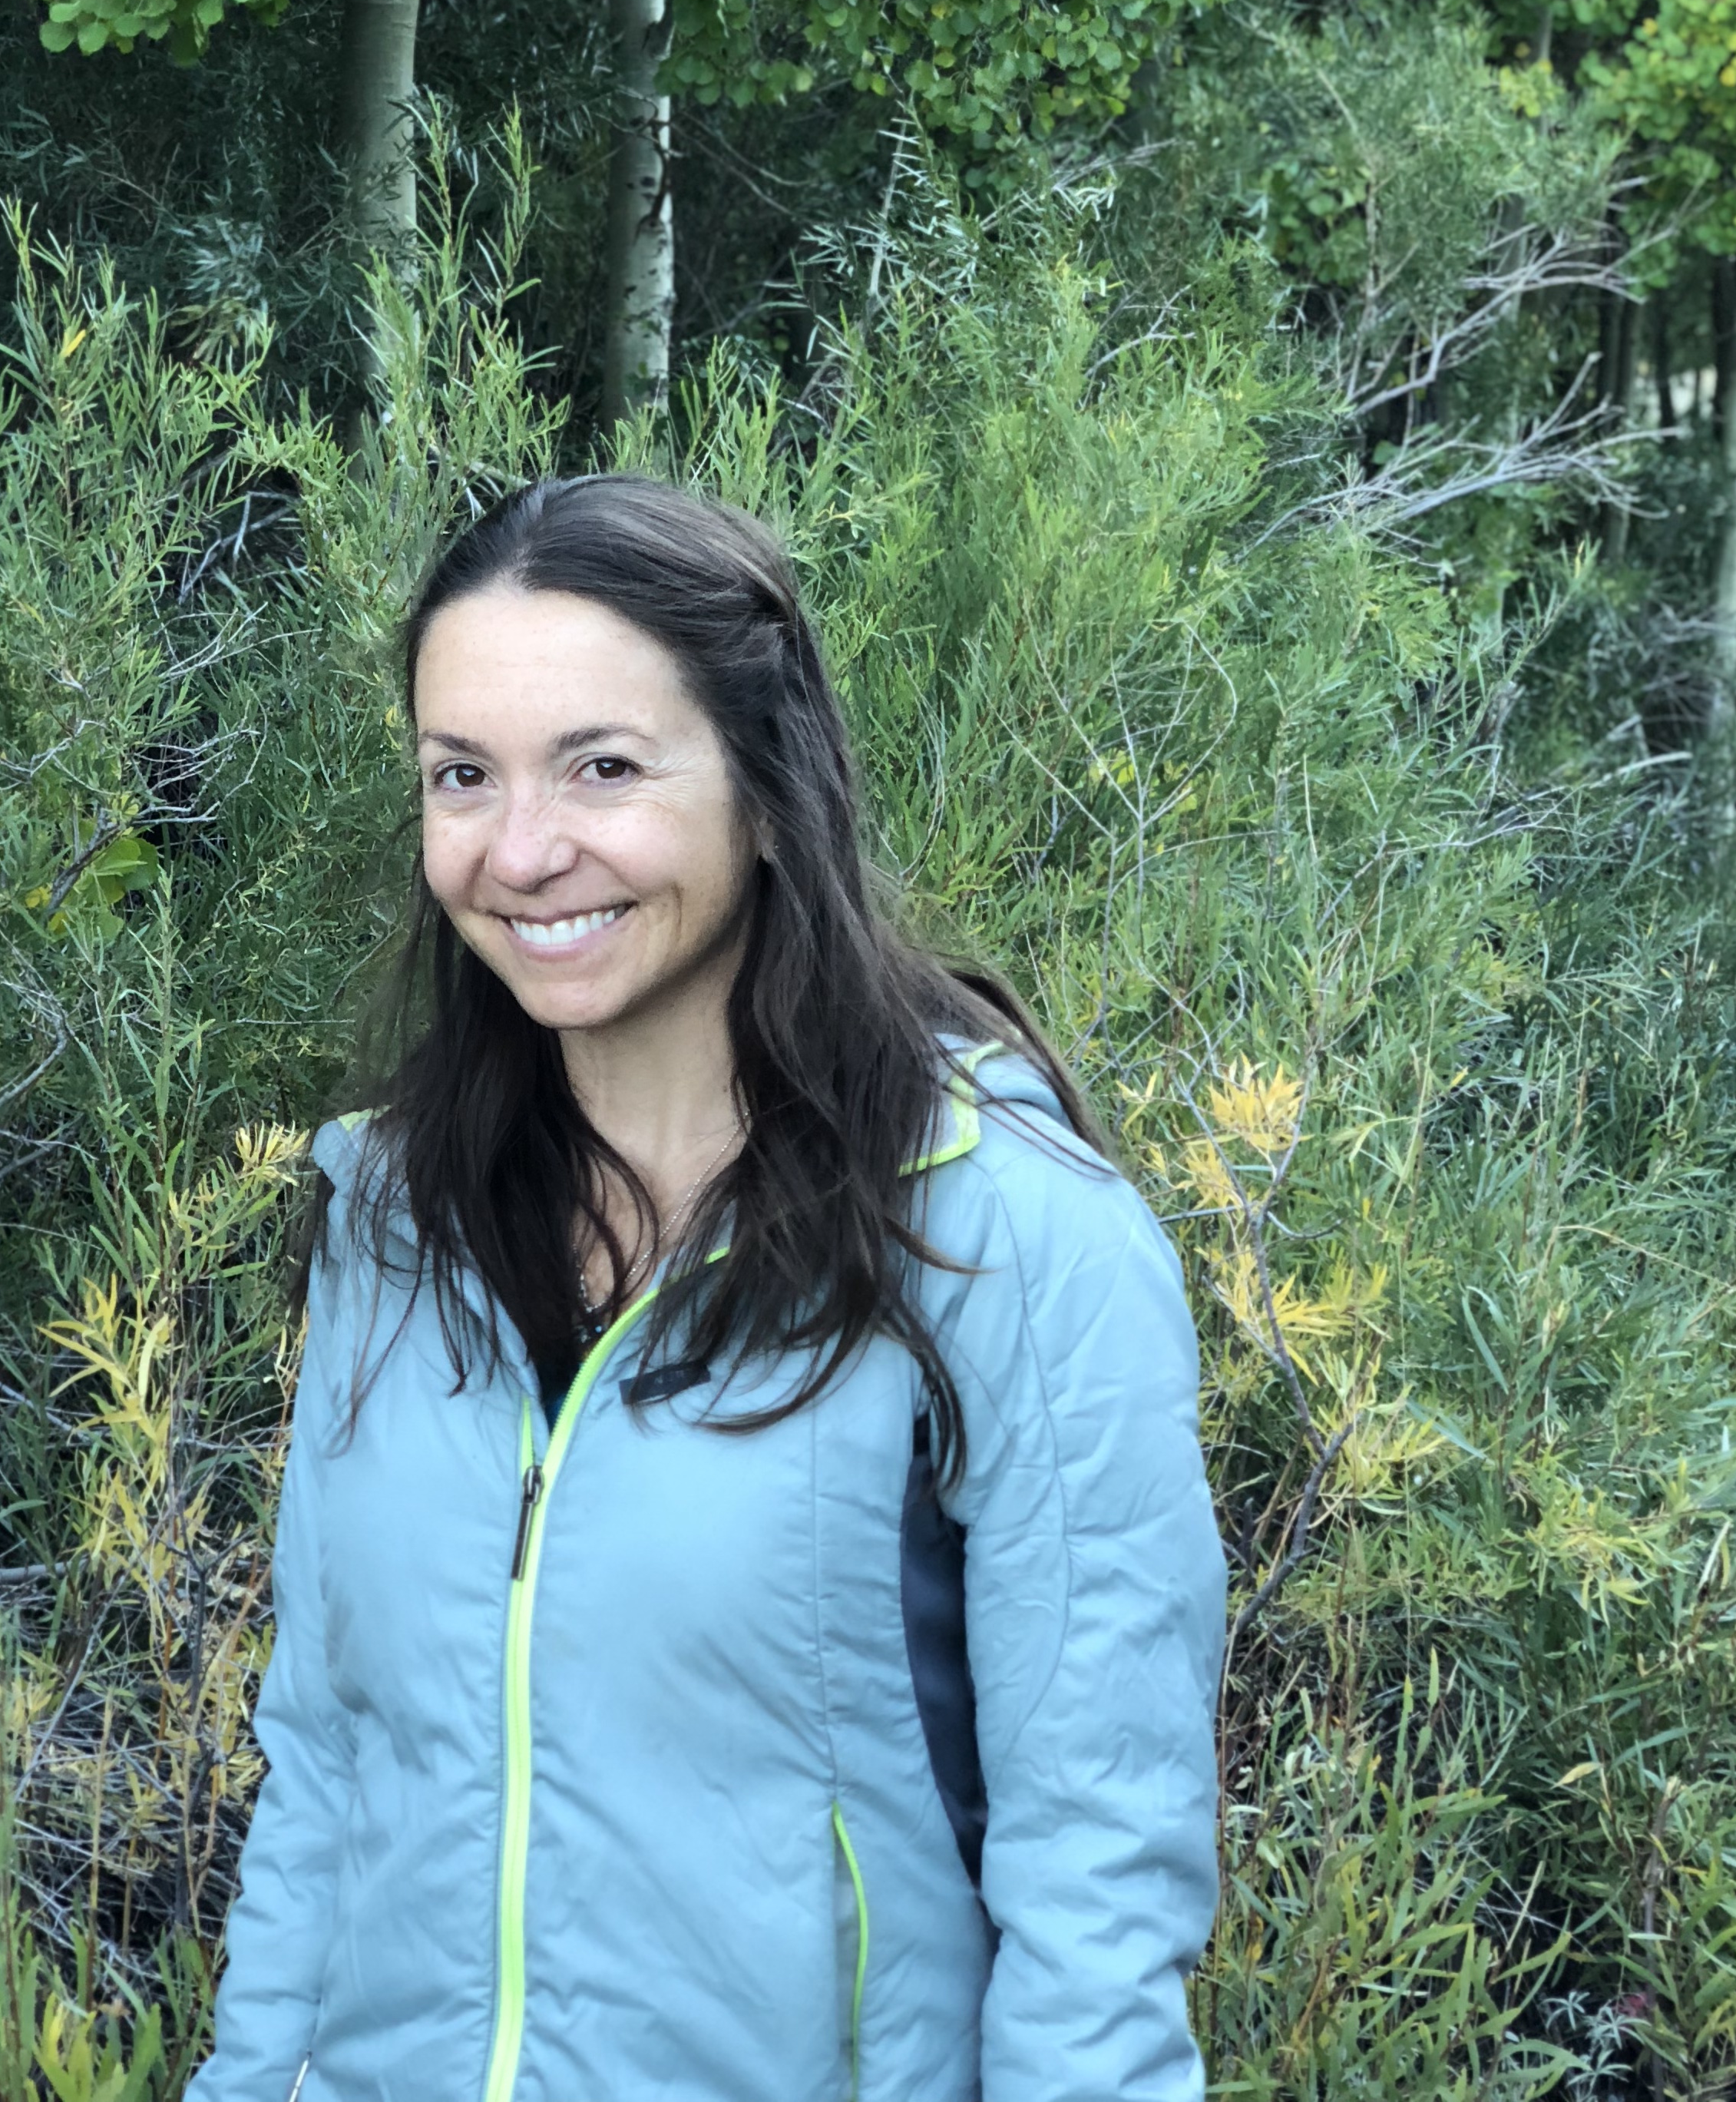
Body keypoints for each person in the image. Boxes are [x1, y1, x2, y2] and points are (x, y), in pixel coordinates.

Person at [186, 475, 1225, 2102]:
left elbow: (1099, 1889)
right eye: (464, 776)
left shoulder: (1009, 1236)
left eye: (602, 766)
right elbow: (327, 1769)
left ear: (764, 777)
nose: (522, 852)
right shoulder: (397, 1221)